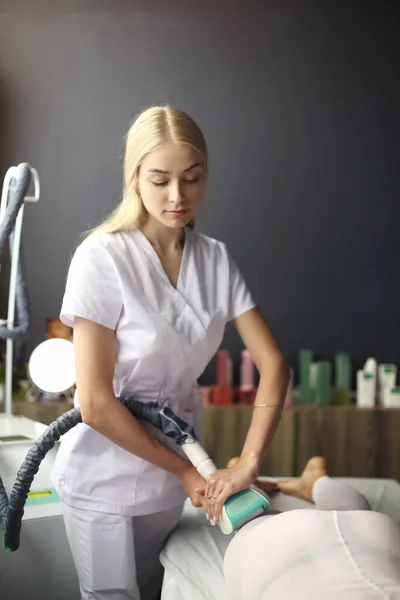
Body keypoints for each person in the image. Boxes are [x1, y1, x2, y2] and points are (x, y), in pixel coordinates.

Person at [50, 105, 289, 600]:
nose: (177, 196)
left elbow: (273, 364)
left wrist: (247, 461)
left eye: (191, 178)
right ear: (135, 177)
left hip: (173, 483)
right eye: (160, 180)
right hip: (105, 478)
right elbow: (93, 402)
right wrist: (182, 468)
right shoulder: (102, 258)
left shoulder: (215, 259)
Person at [223, 456, 400, 599]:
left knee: (351, 513)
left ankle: (316, 482)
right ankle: (313, 482)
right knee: (254, 519)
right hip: (278, 556)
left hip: (374, 533)